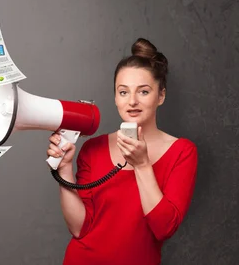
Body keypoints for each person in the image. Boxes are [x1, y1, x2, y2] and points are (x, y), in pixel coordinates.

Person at [47, 38, 198, 265]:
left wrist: (142, 165)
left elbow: (164, 228)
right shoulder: (93, 149)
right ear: (115, 98)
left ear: (161, 96)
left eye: (144, 92)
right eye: (123, 92)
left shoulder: (182, 152)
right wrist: (65, 169)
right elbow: (79, 228)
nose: (133, 101)